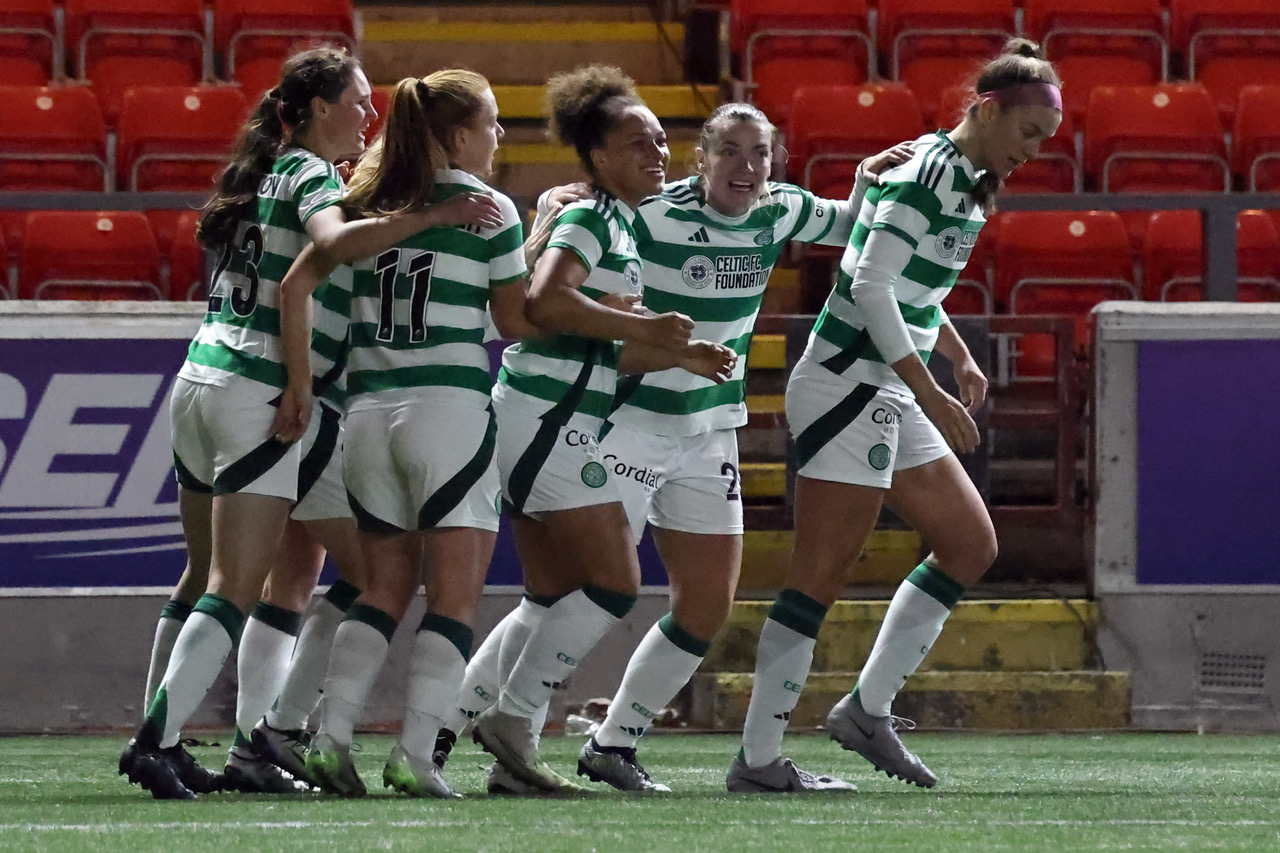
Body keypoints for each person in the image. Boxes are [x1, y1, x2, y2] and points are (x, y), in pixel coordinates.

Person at [437, 104, 910, 794]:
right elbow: (572, 259)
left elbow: (850, 224)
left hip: (709, 428)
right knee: (564, 593)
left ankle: (613, 742)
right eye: (731, 152)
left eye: (760, 153)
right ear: (703, 158)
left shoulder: (780, 209)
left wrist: (866, 179)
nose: (746, 167)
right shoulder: (649, 212)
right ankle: (452, 728)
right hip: (625, 420)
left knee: (706, 603)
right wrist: (556, 212)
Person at [119, 46, 502, 800]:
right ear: (319, 107)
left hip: (204, 378)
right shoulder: (308, 174)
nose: (370, 115)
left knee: (290, 572)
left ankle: (242, 735)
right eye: (358, 101)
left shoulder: (257, 171)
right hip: (264, 392)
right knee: (238, 584)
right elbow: (324, 252)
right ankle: (159, 740)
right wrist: (432, 215)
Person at [734, 38, 1062, 790]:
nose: (1034, 152)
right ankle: (757, 759)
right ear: (988, 110)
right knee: (818, 578)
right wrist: (931, 389)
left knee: (969, 544)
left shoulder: (962, 177)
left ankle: (865, 711)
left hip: (884, 382)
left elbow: (909, 289)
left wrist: (957, 355)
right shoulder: (927, 176)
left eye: (1044, 139)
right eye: (1028, 133)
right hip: (849, 382)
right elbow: (871, 288)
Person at [270, 68, 544, 800]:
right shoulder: (490, 209)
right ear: (458, 135)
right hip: (447, 411)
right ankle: (415, 754)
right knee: (453, 598)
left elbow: (309, 289)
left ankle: (328, 739)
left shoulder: (367, 205)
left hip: (366, 415)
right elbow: (514, 321)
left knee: (381, 588)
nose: (499, 135)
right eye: (491, 122)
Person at [470, 64, 736, 793]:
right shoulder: (589, 217)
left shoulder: (617, 221)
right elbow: (546, 302)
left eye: (660, 140)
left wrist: (679, 354)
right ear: (596, 155)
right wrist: (646, 327)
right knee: (615, 583)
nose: (657, 153)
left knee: (553, 591)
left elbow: (585, 340)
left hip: (558, 412)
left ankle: (457, 738)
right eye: (636, 143)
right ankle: (511, 717)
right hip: (546, 416)